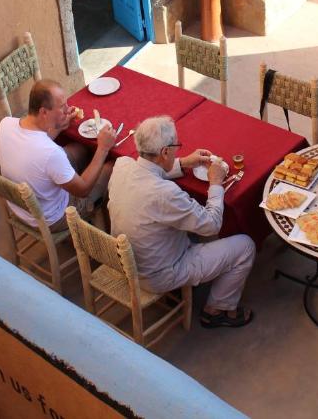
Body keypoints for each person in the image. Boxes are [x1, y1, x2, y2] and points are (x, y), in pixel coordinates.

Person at [108, 116, 256, 328]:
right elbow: (212, 225)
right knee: (245, 246)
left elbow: (150, 174)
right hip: (159, 275)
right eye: (175, 147)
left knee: (187, 220)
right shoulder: (166, 194)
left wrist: (184, 163)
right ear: (164, 152)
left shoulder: (122, 165)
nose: (177, 151)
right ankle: (217, 310)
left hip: (129, 259)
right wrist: (215, 183)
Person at [0, 79, 115, 231]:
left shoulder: (4, 124)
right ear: (44, 112)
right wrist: (103, 148)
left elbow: (33, 145)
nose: (67, 109)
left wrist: (59, 126)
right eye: (61, 106)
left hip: (21, 207)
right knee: (112, 165)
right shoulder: (50, 153)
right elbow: (83, 190)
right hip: (53, 217)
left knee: (81, 148)